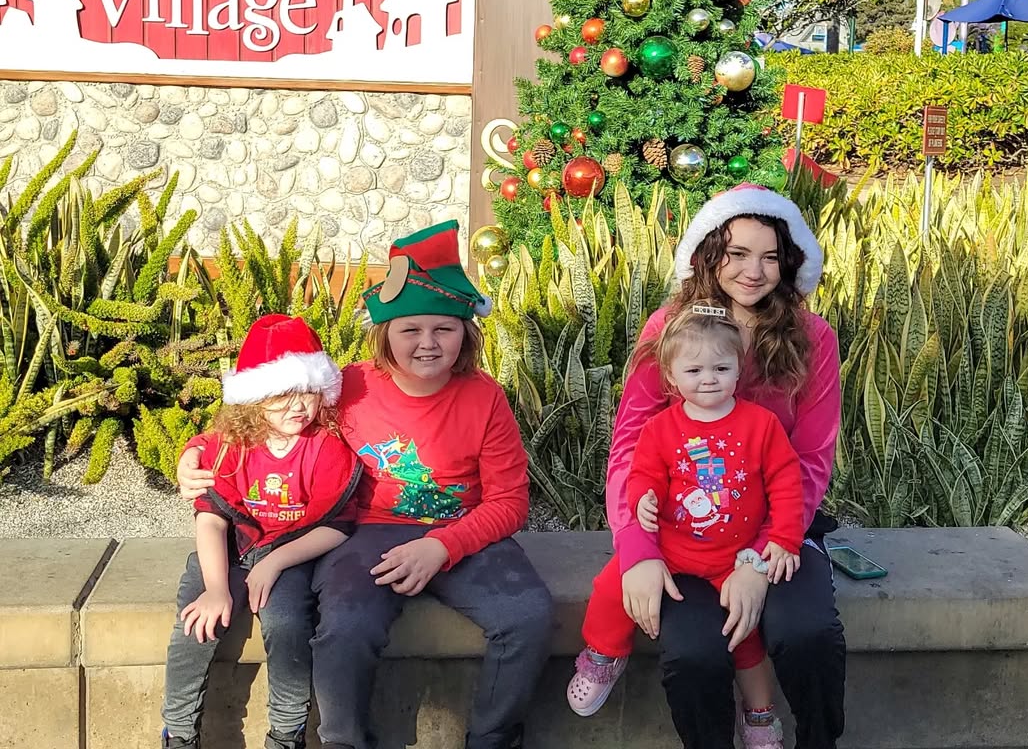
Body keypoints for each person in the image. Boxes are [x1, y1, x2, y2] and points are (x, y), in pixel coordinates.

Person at [177, 221, 554, 749]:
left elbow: (510, 502)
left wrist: (441, 546)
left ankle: (492, 738)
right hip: (364, 531)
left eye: (443, 329)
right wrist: (192, 451)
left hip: (461, 531)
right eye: (410, 330)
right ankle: (344, 741)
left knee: (528, 616)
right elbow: (263, 419)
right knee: (346, 627)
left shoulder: (484, 397)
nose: (427, 344)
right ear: (385, 335)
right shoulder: (349, 386)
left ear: (466, 334)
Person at [610, 183, 845, 749]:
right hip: (683, 535)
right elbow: (629, 449)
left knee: (807, 633)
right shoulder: (669, 329)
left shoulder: (813, 338)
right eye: (737, 254)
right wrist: (636, 553)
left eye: (769, 257)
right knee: (692, 655)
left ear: (788, 264)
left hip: (780, 531)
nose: (753, 271)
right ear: (710, 254)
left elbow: (811, 461)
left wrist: (760, 559)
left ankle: (819, 741)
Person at [567, 302, 804, 749]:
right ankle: (603, 654)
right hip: (673, 549)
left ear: (739, 371)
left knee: (746, 635)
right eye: (694, 369)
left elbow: (787, 486)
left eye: (721, 367)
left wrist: (785, 540)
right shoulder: (660, 428)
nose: (709, 378)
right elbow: (642, 475)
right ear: (672, 378)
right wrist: (644, 499)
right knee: (609, 587)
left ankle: (758, 712)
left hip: (734, 559)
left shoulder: (762, 425)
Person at [162, 314, 363, 749]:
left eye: (308, 392)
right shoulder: (232, 443)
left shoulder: (325, 446)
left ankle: (287, 734)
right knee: (194, 625)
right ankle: (178, 732)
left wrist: (274, 563)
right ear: (253, 398)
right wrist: (217, 589)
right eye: (281, 394)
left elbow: (338, 526)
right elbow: (211, 518)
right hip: (229, 551)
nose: (297, 406)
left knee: (288, 623)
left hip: (291, 553)